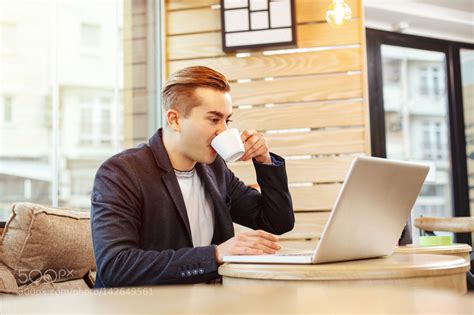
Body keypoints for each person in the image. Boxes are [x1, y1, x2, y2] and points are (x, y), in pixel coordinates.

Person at [91, 66, 294, 288]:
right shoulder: (121, 173)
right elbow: (116, 267)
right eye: (214, 119)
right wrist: (215, 255)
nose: (223, 131)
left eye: (227, 121)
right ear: (175, 120)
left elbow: (277, 221)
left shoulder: (215, 169)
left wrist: (264, 161)